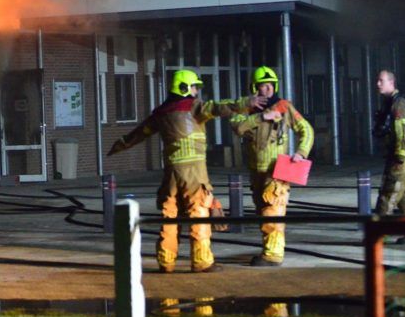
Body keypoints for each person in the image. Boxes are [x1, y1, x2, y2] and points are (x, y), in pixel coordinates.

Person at [107, 69, 265, 273]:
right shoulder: (194, 107)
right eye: (194, 87)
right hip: (194, 173)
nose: (196, 92)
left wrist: (119, 145)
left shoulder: (161, 113)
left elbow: (139, 133)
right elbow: (219, 107)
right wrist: (246, 103)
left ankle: (166, 261)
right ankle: (201, 261)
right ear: (184, 88)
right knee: (198, 214)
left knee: (169, 217)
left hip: (171, 173)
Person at [229, 66, 314, 267]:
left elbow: (307, 130)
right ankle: (270, 248)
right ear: (255, 88)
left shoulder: (284, 107)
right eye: (262, 86)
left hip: (277, 170)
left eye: (270, 86)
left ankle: (273, 254)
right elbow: (237, 126)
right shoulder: (247, 108)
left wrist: (301, 152)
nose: (267, 90)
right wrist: (261, 117)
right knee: (262, 212)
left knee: (272, 210)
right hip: (256, 171)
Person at [372, 69, 405, 244]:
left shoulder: (399, 104)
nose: (378, 84)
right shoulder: (390, 103)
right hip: (404, 157)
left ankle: (377, 235)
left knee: (388, 194)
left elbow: (403, 132)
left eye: (381, 80)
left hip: (401, 158)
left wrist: (399, 156)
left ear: (391, 82)